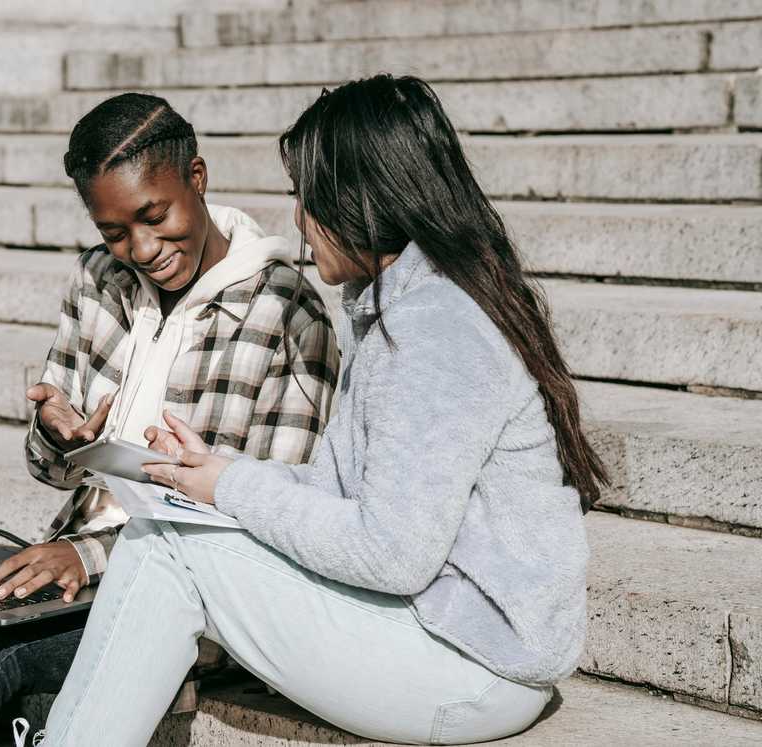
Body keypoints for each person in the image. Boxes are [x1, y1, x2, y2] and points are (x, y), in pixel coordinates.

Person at [37, 75, 606, 746]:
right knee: (171, 536)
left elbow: (392, 552)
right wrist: (214, 470)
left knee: (167, 550)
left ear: (359, 201)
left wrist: (232, 487)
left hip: (473, 668)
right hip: (435, 631)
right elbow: (342, 493)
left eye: (305, 198)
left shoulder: (437, 330)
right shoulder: (403, 307)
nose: (300, 222)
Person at [0, 93, 339, 746]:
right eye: (114, 231)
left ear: (197, 177)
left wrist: (90, 555)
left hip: (196, 601)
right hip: (76, 572)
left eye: (154, 216)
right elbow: (53, 470)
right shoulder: (99, 279)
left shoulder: (287, 316)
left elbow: (268, 519)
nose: (142, 247)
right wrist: (56, 439)